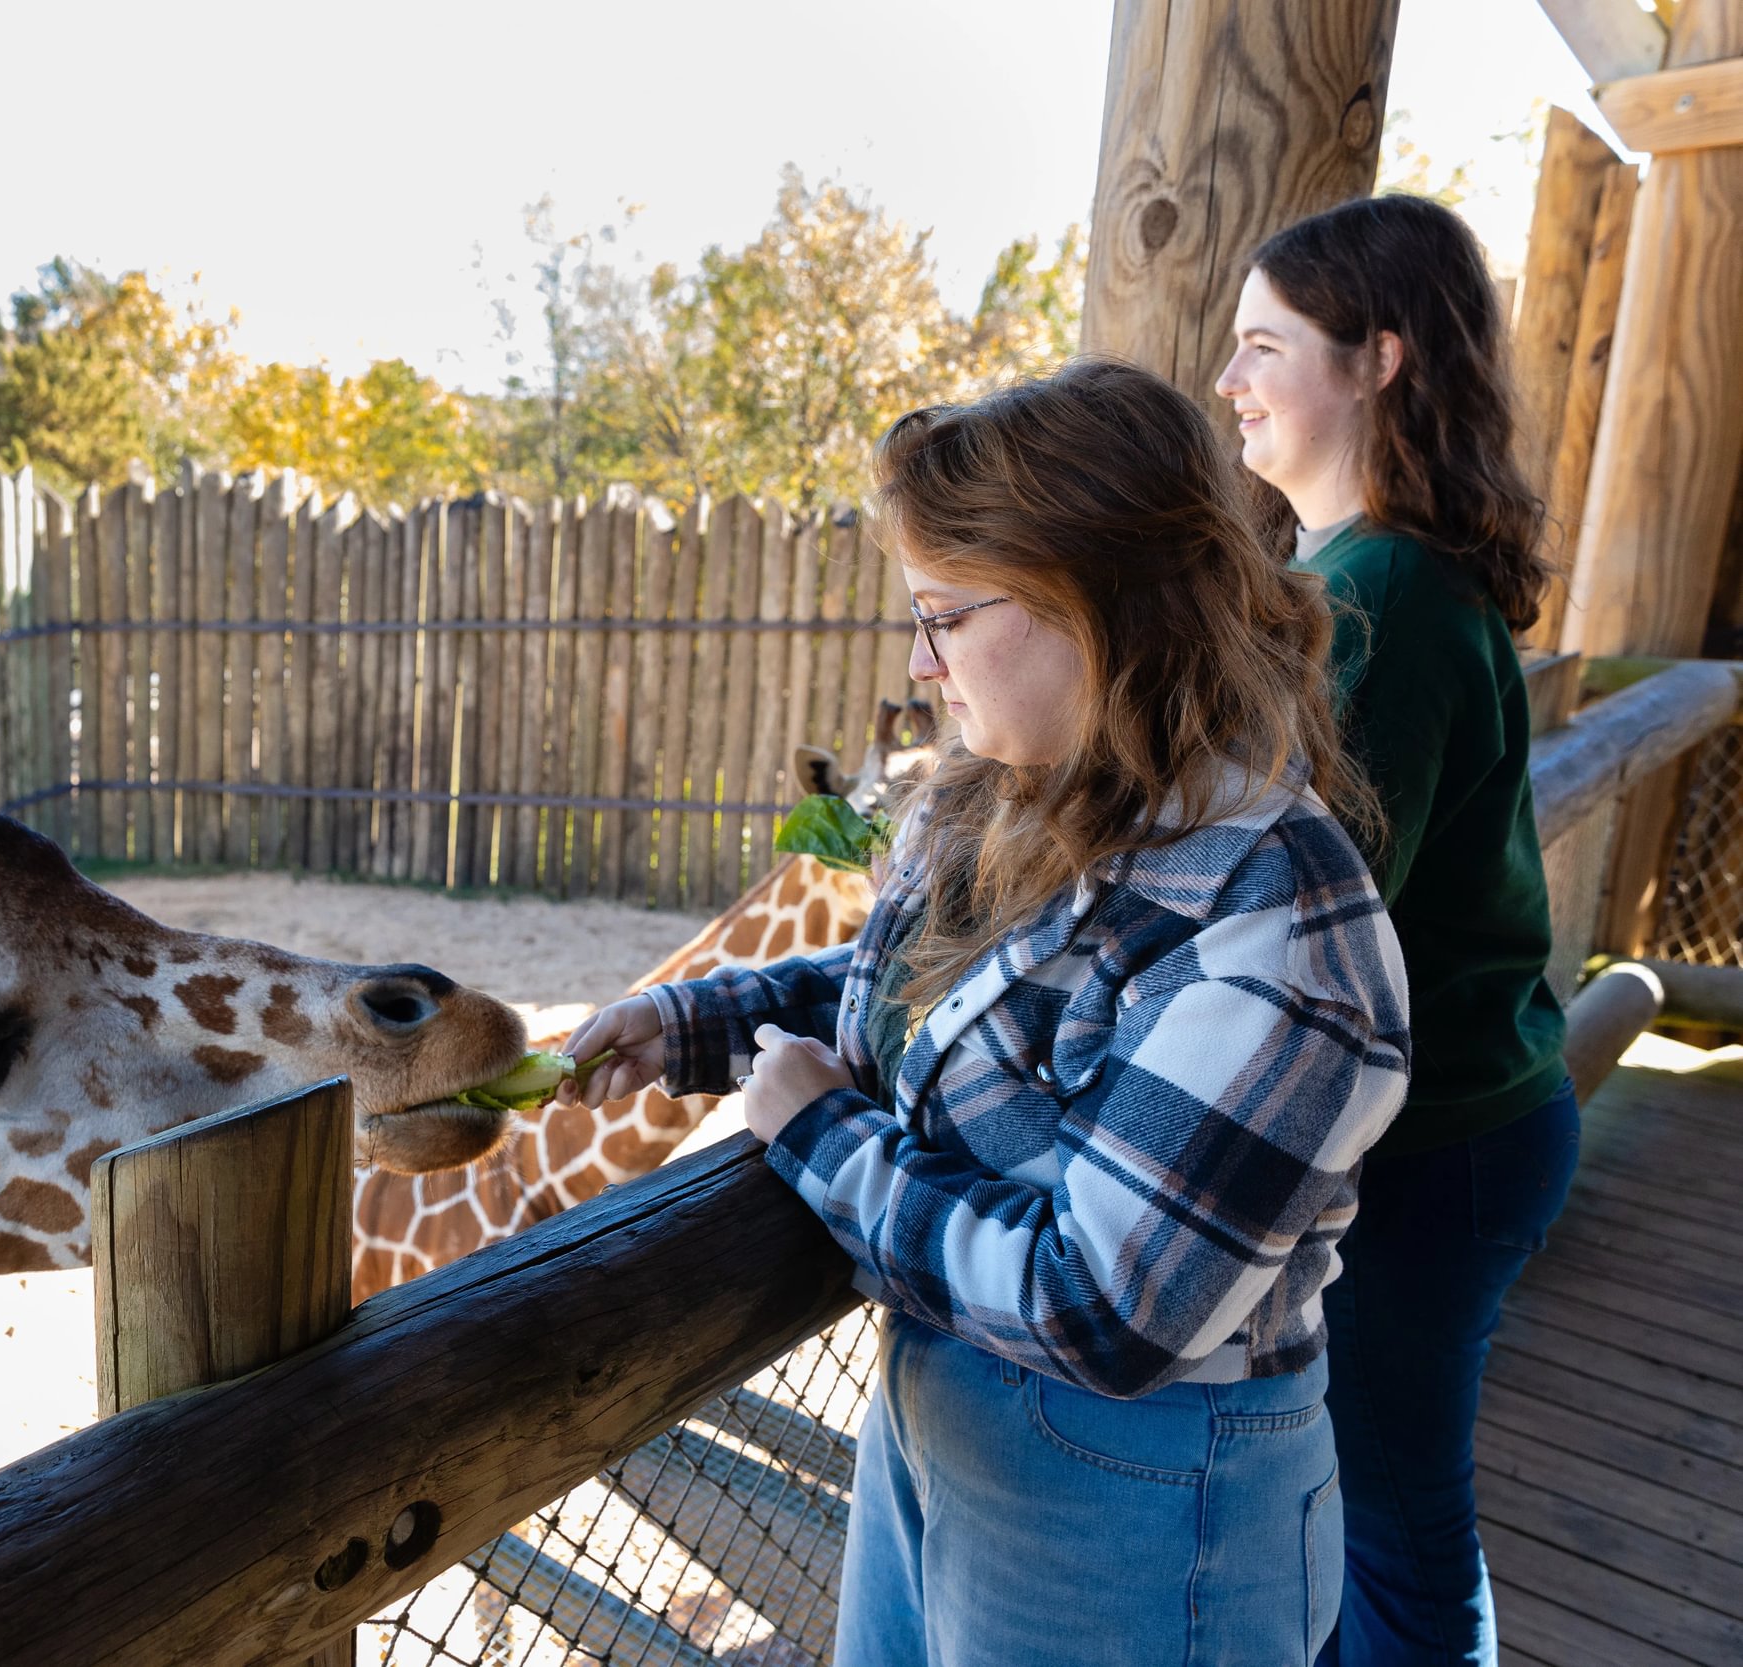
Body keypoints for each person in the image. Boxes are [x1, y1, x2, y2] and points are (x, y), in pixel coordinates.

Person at [557, 358, 1411, 1666]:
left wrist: (818, 1140)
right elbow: (914, 999)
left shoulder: (1279, 926)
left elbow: (1104, 1310)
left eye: (946, 617)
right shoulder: (1020, 795)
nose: (917, 661)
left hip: (1138, 1495)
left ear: (1108, 606)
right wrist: (692, 1028)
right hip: (941, 1416)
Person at [1215, 193, 1576, 1667]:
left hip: (1432, 1154)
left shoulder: (1376, 602)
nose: (1229, 382)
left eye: (1262, 346)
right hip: (1462, 1127)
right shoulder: (1375, 580)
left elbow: (1311, 914)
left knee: (1395, 1523)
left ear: (1378, 359)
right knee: (1384, 1510)